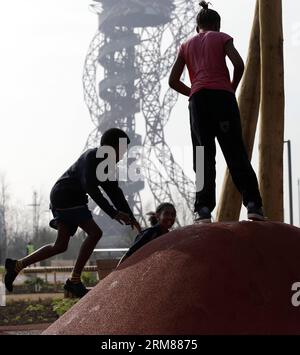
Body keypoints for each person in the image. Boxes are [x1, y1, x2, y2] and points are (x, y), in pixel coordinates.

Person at [5, 128, 141, 297]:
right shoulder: (92, 157)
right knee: (95, 233)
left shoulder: (107, 166)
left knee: (60, 245)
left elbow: (115, 192)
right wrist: (114, 213)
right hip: (66, 196)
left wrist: (132, 217)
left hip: (67, 197)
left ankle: (16, 265)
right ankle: (74, 281)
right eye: (122, 149)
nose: (123, 154)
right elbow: (91, 188)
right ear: (110, 147)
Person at [169, 1, 264, 223]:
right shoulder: (221, 38)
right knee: (234, 151)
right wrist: (230, 87)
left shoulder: (186, 45)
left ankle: (203, 209)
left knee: (203, 155)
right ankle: (253, 205)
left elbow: (173, 81)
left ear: (197, 27)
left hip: (199, 101)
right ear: (218, 25)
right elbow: (239, 64)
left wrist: (193, 91)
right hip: (222, 98)